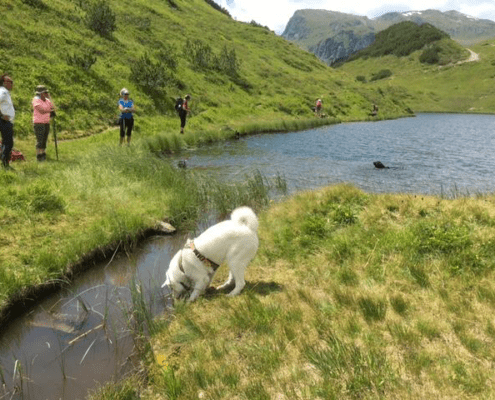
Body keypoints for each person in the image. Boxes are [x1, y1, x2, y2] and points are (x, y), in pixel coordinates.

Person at [32, 85, 55, 161]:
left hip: (46, 122)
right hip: (38, 123)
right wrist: (49, 110)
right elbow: (42, 110)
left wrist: (50, 99)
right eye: (45, 92)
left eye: (46, 92)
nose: (46, 94)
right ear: (40, 93)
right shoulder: (36, 100)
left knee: (45, 139)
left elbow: (52, 108)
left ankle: (43, 153)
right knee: (40, 139)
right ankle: (39, 155)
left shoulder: (47, 100)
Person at [0, 74, 15, 169]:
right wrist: (1, 115)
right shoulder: (3, 92)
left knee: (7, 142)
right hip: (3, 121)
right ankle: (5, 164)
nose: (12, 84)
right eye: (10, 82)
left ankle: (5, 162)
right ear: (4, 82)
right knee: (8, 142)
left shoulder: (5, 92)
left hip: (6, 121)